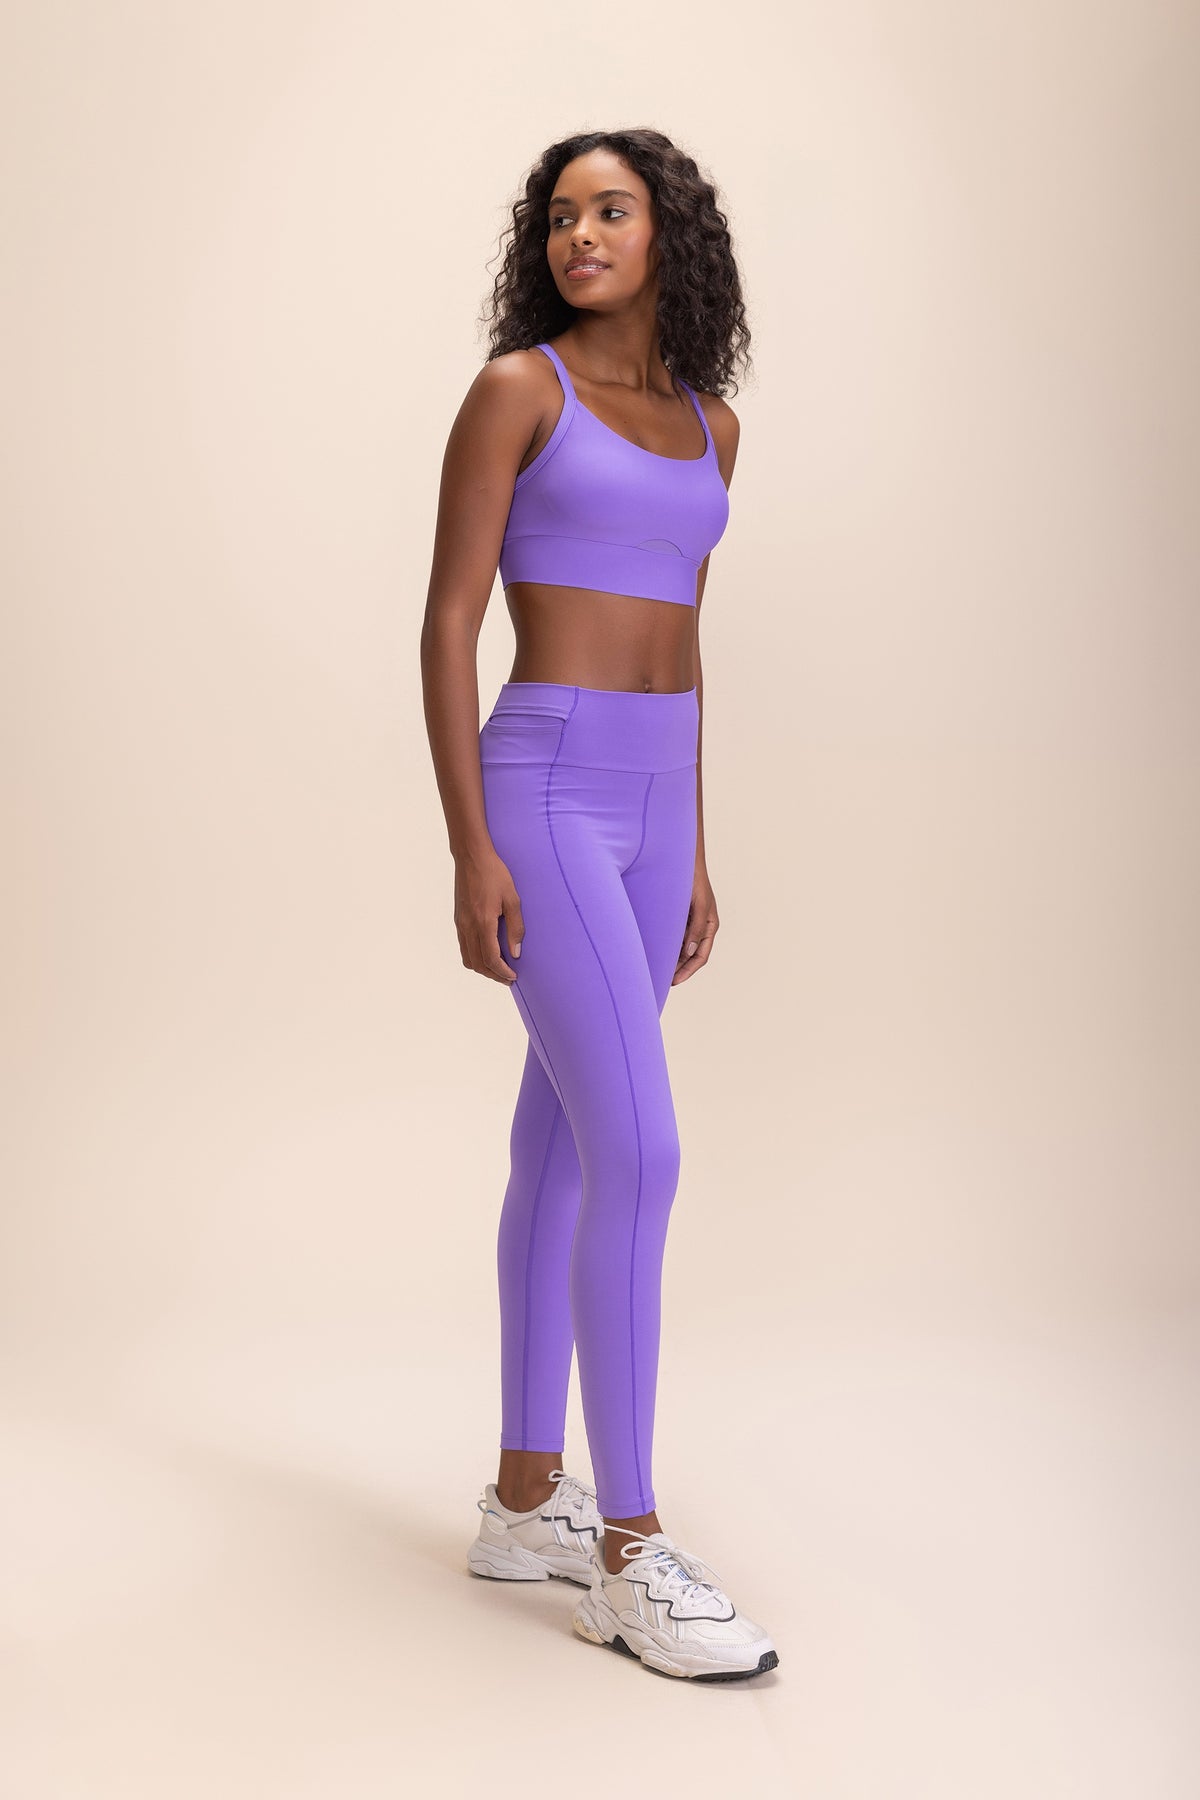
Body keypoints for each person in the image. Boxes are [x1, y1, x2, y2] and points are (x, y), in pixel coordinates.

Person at [420, 128, 778, 1682]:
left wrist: (693, 843)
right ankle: (629, 1555)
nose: (580, 234)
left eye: (611, 210)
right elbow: (448, 621)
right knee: (642, 1148)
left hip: (653, 796)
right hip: (549, 786)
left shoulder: (712, 427)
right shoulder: (522, 391)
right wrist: (469, 845)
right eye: (561, 215)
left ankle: (523, 1503)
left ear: (665, 235)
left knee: (565, 1141)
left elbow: (688, 642)